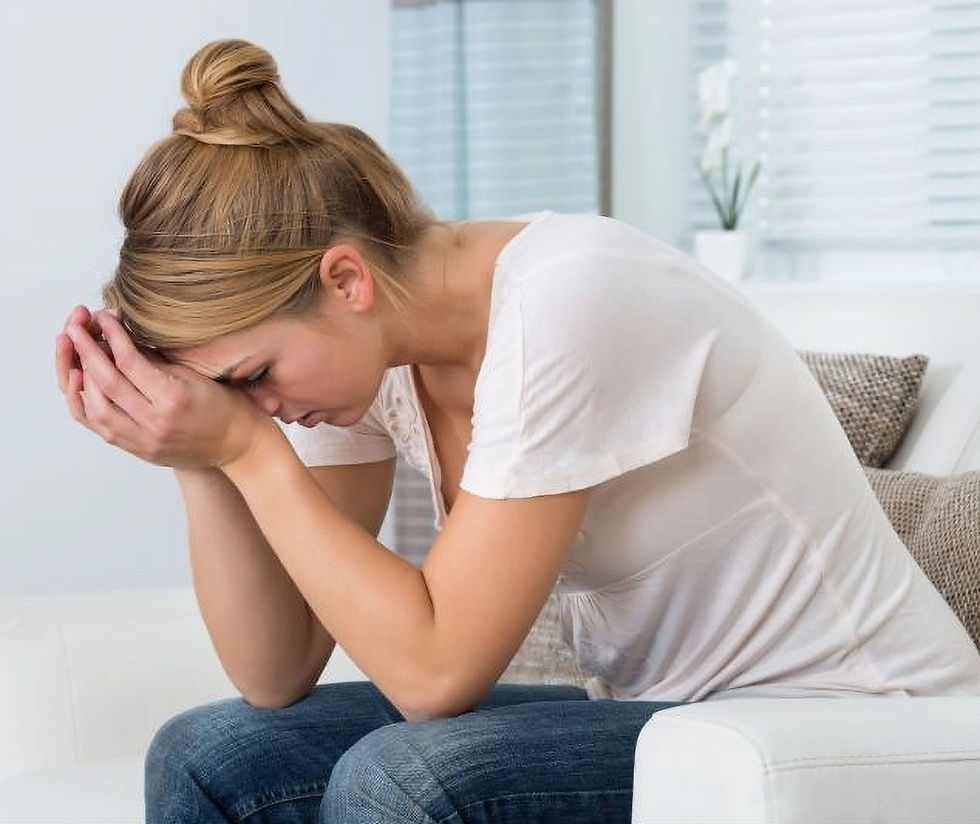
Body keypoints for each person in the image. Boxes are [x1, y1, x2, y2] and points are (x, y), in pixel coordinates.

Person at [55, 39, 980, 824]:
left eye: (253, 376)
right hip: (668, 716)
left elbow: (435, 674)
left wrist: (247, 454)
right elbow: (275, 668)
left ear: (345, 280)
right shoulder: (362, 358)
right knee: (214, 751)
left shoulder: (570, 292)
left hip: (849, 723)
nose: (260, 409)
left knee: (408, 782)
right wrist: (195, 458)